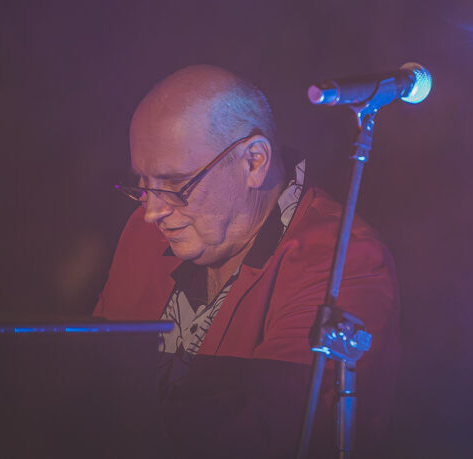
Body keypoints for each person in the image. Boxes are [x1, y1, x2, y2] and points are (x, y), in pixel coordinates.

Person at [93, 64, 399, 458]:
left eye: (173, 184)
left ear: (254, 161)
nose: (152, 211)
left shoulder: (346, 259)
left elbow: (270, 437)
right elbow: (92, 378)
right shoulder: (144, 231)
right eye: (143, 184)